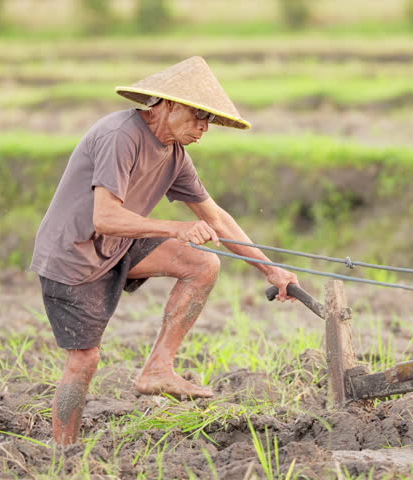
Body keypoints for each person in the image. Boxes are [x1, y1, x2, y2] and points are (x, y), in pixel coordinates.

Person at [30, 56, 300, 445]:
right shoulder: (119, 136)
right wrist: (176, 227)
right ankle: (63, 453)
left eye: (210, 121)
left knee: (202, 263)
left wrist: (271, 271)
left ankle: (158, 367)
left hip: (119, 246)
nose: (204, 128)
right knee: (84, 360)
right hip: (73, 255)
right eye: (198, 116)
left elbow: (216, 218)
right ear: (167, 104)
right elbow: (104, 217)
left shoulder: (175, 156)